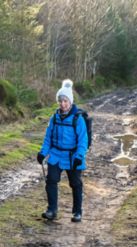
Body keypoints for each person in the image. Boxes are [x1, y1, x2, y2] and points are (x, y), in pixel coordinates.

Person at [37, 79, 88, 222]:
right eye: (60, 101)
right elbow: (48, 139)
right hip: (55, 155)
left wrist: (79, 156)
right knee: (51, 181)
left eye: (65, 101)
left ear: (70, 101)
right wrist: (43, 153)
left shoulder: (78, 119)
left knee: (75, 184)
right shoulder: (54, 119)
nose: (63, 104)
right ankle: (51, 210)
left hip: (73, 156)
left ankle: (77, 212)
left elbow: (83, 140)